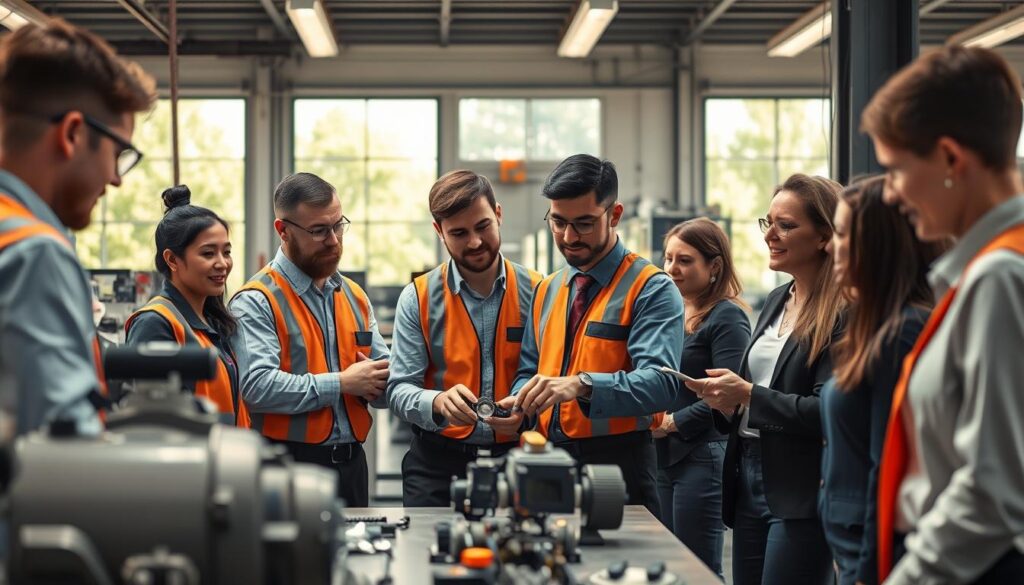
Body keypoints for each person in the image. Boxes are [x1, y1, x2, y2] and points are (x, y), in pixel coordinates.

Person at [863, 46, 1024, 585]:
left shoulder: (1000, 278)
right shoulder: (990, 269)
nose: (890, 193)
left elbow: (991, 488)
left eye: (895, 170)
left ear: (952, 159)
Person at [500, 154, 685, 516]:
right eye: (558, 222)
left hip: (619, 464)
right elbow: (530, 369)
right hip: (546, 461)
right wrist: (518, 404)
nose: (569, 237)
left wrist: (582, 384)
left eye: (584, 223)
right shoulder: (548, 289)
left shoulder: (651, 289)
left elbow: (663, 385)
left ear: (614, 215)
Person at [686, 174, 845, 585]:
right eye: (767, 223)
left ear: (825, 236)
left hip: (801, 489)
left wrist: (750, 395)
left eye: (786, 225)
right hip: (748, 474)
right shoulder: (777, 300)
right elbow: (751, 394)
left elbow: (829, 410)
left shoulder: (842, 313)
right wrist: (727, 401)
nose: (770, 235)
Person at [0, 19, 155, 434]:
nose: (117, 179)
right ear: (71, 134)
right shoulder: (32, 253)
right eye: (119, 153)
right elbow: (62, 455)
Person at [230, 172, 390, 506]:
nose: (333, 240)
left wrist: (401, 383)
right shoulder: (257, 301)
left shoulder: (354, 297)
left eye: (338, 225)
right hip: (288, 469)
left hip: (352, 467)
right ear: (283, 231)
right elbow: (256, 387)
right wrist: (342, 383)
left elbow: (380, 382)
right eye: (319, 230)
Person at [387, 170, 540, 506]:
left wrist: (524, 408)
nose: (474, 242)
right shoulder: (418, 298)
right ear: (439, 232)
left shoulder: (538, 292)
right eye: (458, 232)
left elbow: (548, 374)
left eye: (482, 226)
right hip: (436, 466)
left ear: (498, 214)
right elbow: (398, 389)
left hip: (519, 460)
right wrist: (436, 402)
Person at [818, 176, 942, 585]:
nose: (831, 246)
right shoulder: (876, 326)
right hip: (848, 538)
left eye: (840, 233)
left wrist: (868, 571)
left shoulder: (903, 332)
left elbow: (886, 464)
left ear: (877, 245)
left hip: (873, 550)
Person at [653, 218, 750, 579]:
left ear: (714, 266)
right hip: (664, 453)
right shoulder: (673, 312)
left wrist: (674, 422)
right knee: (670, 568)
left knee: (698, 570)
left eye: (685, 260)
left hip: (702, 453)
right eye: (668, 258)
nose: (672, 269)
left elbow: (729, 396)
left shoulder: (727, 317)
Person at [125, 185, 246, 425]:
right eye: (208, 253)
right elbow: (156, 419)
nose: (222, 264)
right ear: (172, 259)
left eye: (227, 252)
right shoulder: (155, 323)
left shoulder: (213, 322)